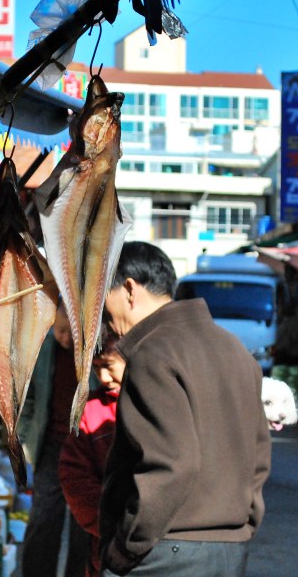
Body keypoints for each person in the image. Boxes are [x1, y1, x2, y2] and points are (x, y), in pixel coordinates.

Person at [98, 242, 272, 576]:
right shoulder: (236, 350)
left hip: (166, 551)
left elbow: (170, 464)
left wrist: (127, 546)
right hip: (228, 548)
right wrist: (243, 526)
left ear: (130, 290)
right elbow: (259, 455)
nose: (106, 318)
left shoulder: (152, 352)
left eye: (104, 299)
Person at [19, 303, 90, 577]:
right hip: (50, 445)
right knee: (43, 519)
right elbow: (28, 398)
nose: (65, 338)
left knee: (83, 524)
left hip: (86, 447)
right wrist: (26, 435)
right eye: (60, 330)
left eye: (70, 332)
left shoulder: (92, 350)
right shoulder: (42, 349)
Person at [59, 333, 126, 577]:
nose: (103, 378)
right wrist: (109, 524)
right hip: (106, 545)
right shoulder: (90, 408)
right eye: (96, 369)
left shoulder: (155, 401)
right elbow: (74, 475)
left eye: (109, 366)